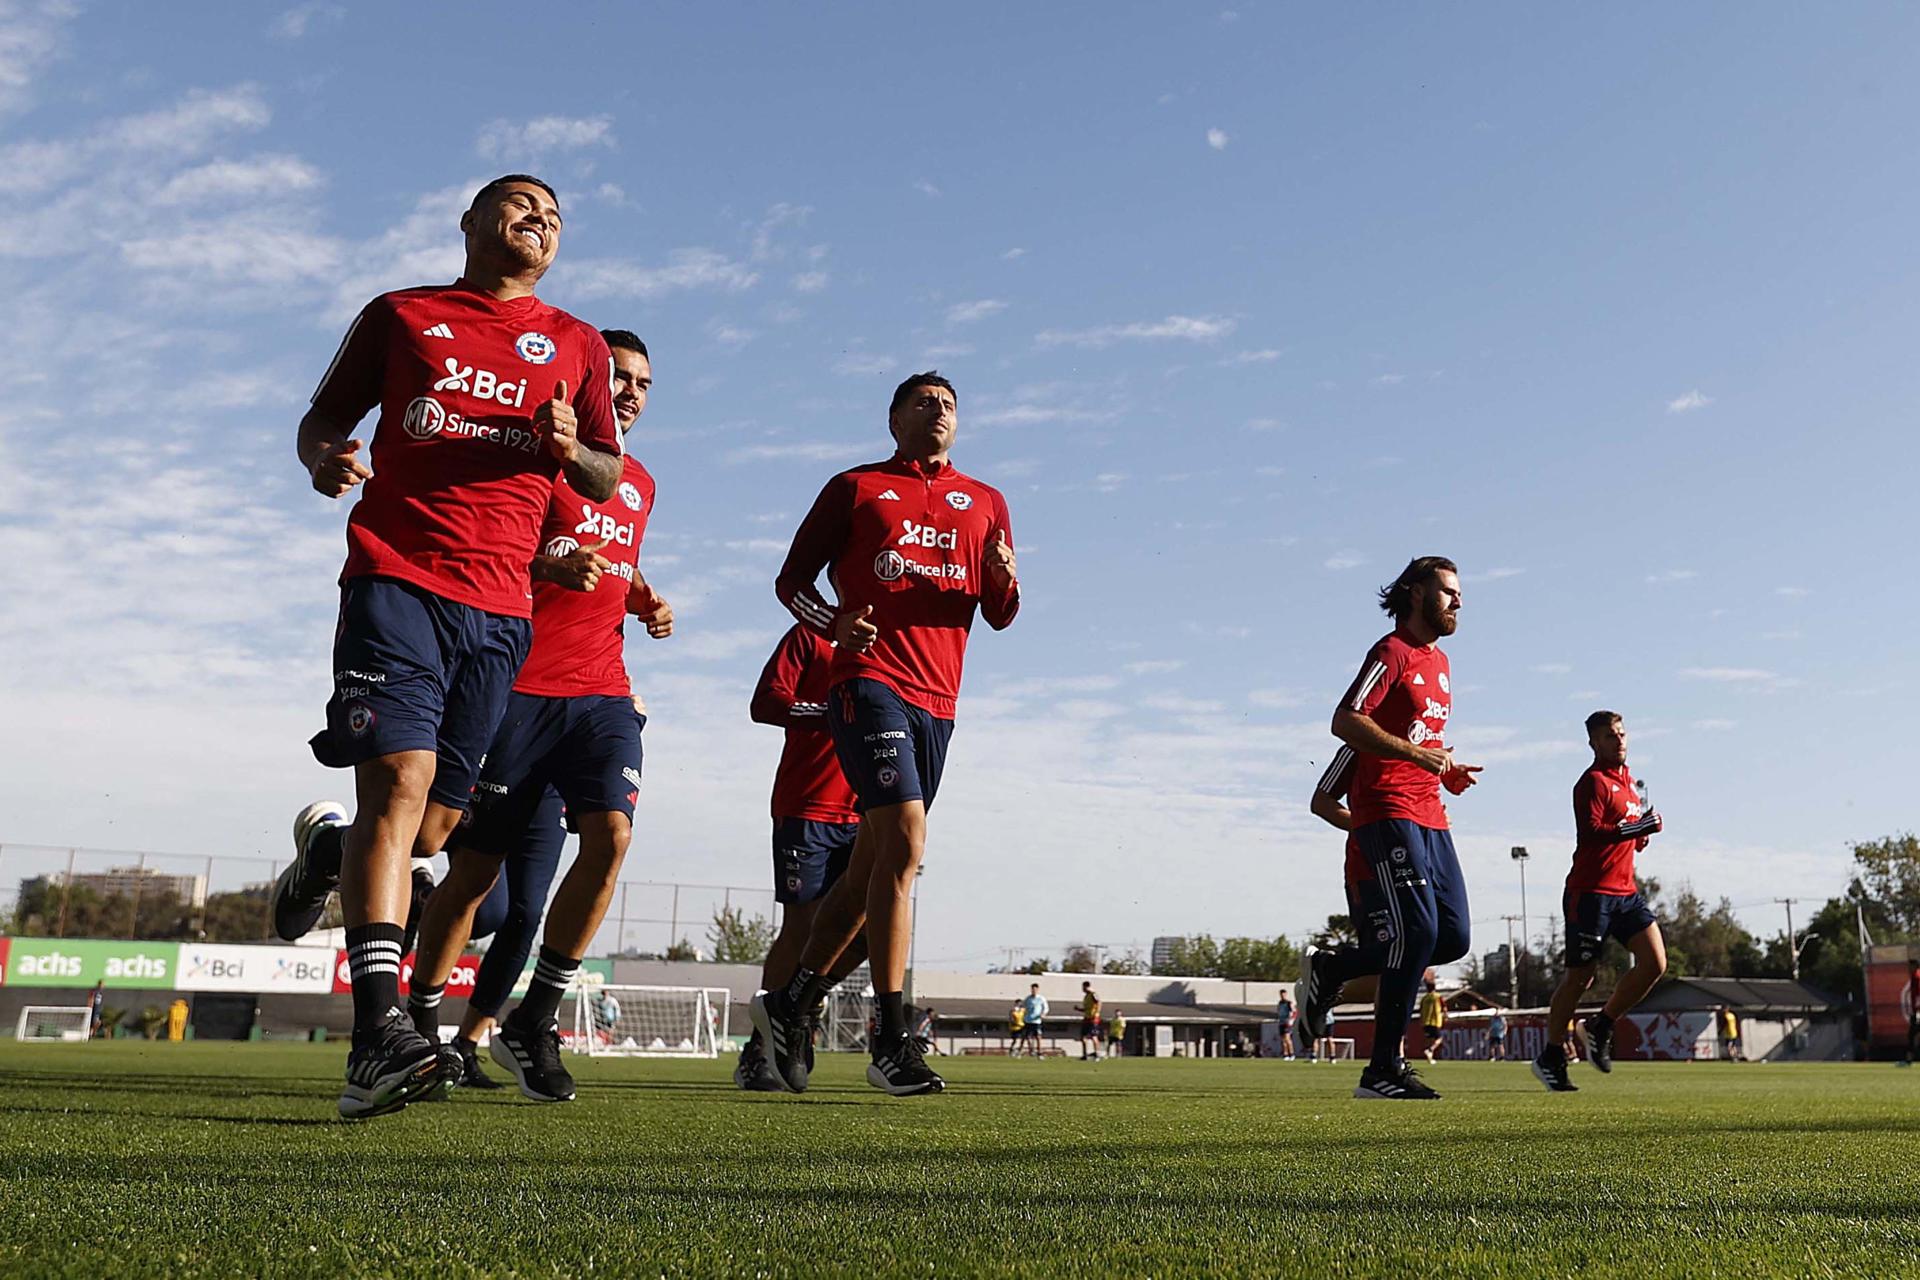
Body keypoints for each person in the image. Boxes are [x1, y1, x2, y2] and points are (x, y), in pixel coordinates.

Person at [278, 174, 623, 1119]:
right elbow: (322, 420)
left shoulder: (580, 344)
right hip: (396, 580)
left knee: (433, 826)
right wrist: (326, 461)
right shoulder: (402, 314)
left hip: (502, 613)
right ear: (468, 221)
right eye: (519, 203)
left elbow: (605, 472)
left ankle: (328, 855)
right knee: (397, 782)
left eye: (554, 214)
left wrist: (571, 448)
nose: (539, 220)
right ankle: (377, 1037)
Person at [402, 329, 671, 1104]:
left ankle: (534, 1017)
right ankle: (420, 1021)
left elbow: (613, 555)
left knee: (613, 834)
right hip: (515, 690)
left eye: (643, 383)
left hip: (602, 693)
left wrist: (642, 595)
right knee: (471, 868)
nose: (628, 392)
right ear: (586, 381)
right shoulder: (533, 460)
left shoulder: (640, 482)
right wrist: (545, 565)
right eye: (618, 376)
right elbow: (487, 549)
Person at [751, 371, 1020, 1098]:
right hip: (867, 683)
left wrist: (1004, 578)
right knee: (904, 845)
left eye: (950, 404)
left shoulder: (987, 502)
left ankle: (793, 1003)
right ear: (893, 417)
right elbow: (792, 583)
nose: (939, 411)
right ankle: (893, 1040)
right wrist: (832, 625)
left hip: (941, 699)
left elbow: (1001, 613)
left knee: (874, 866)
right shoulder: (857, 487)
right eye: (924, 401)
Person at [1329, 556, 1481, 1101]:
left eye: (1460, 593)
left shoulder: (1440, 663)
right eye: (1447, 591)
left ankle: (1335, 970)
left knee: (1453, 936)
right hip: (1385, 808)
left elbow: (1422, 741)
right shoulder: (1389, 652)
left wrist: (1444, 767)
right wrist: (1417, 755)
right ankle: (1382, 1071)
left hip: (1431, 813)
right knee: (1414, 934)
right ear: (1416, 594)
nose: (1458, 601)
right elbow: (1345, 720)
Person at [735, 624, 864, 1092]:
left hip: (867, 810)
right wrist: (832, 714)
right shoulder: (811, 635)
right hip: (807, 805)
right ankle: (757, 1049)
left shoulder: (893, 637)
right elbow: (766, 701)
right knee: (804, 926)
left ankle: (798, 1007)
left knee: (867, 930)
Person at [1532, 711, 1666, 1093]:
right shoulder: (1591, 782)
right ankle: (1552, 1056)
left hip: (1626, 892)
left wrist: (1638, 837)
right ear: (1593, 743)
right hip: (1589, 894)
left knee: (1655, 963)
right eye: (1610, 736)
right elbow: (1590, 834)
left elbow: (1628, 833)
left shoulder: (1628, 780)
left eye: (1622, 734)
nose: (1619, 741)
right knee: (1580, 977)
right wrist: (1638, 828)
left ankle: (1601, 1024)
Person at [1295, 746, 1388, 1056]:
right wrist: (1372, 828)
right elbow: (1321, 803)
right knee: (1393, 960)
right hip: (1370, 871)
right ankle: (1389, 1057)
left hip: (1415, 870)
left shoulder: (1424, 747)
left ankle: (1323, 989)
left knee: (1404, 961)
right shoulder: (1358, 745)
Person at [1418, 978, 1446, 1063]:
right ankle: (1430, 1049)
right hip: (1435, 1021)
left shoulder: (1424, 998)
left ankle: (1430, 1059)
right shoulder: (1437, 996)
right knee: (1439, 1038)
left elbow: (1421, 1009)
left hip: (1426, 1022)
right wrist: (1446, 1015)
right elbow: (1444, 1007)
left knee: (1429, 1039)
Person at [1021, 983, 1050, 1058]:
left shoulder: (1041, 998)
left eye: (1035, 989)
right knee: (1027, 1036)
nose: (1033, 991)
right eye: (1032, 989)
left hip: (1037, 1021)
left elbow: (1046, 1008)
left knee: (1038, 1037)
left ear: (1037, 989)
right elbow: (1023, 1006)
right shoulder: (1028, 998)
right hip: (1028, 1020)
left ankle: (1039, 1052)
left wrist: (1043, 1014)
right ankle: (1031, 1050)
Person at [1078, 982, 1103, 1061]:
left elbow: (1099, 1002)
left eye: (1083, 987)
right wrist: (1078, 1009)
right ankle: (1085, 1055)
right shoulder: (1086, 997)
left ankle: (1097, 1054)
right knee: (1083, 1037)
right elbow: (1086, 1008)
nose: (1082, 989)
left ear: (1087, 987)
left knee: (1094, 1036)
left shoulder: (1093, 994)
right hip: (1086, 1018)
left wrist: (1097, 1013)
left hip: (1093, 1018)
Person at [1274, 994, 1296, 1060]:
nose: (1283, 996)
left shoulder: (1289, 1003)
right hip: (1281, 1022)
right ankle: (1285, 1054)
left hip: (1287, 1023)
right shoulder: (1280, 1003)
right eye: (1281, 995)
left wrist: (1291, 1019)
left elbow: (1295, 1012)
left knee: (1287, 1039)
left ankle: (1292, 1054)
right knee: (1283, 1040)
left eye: (1284, 995)